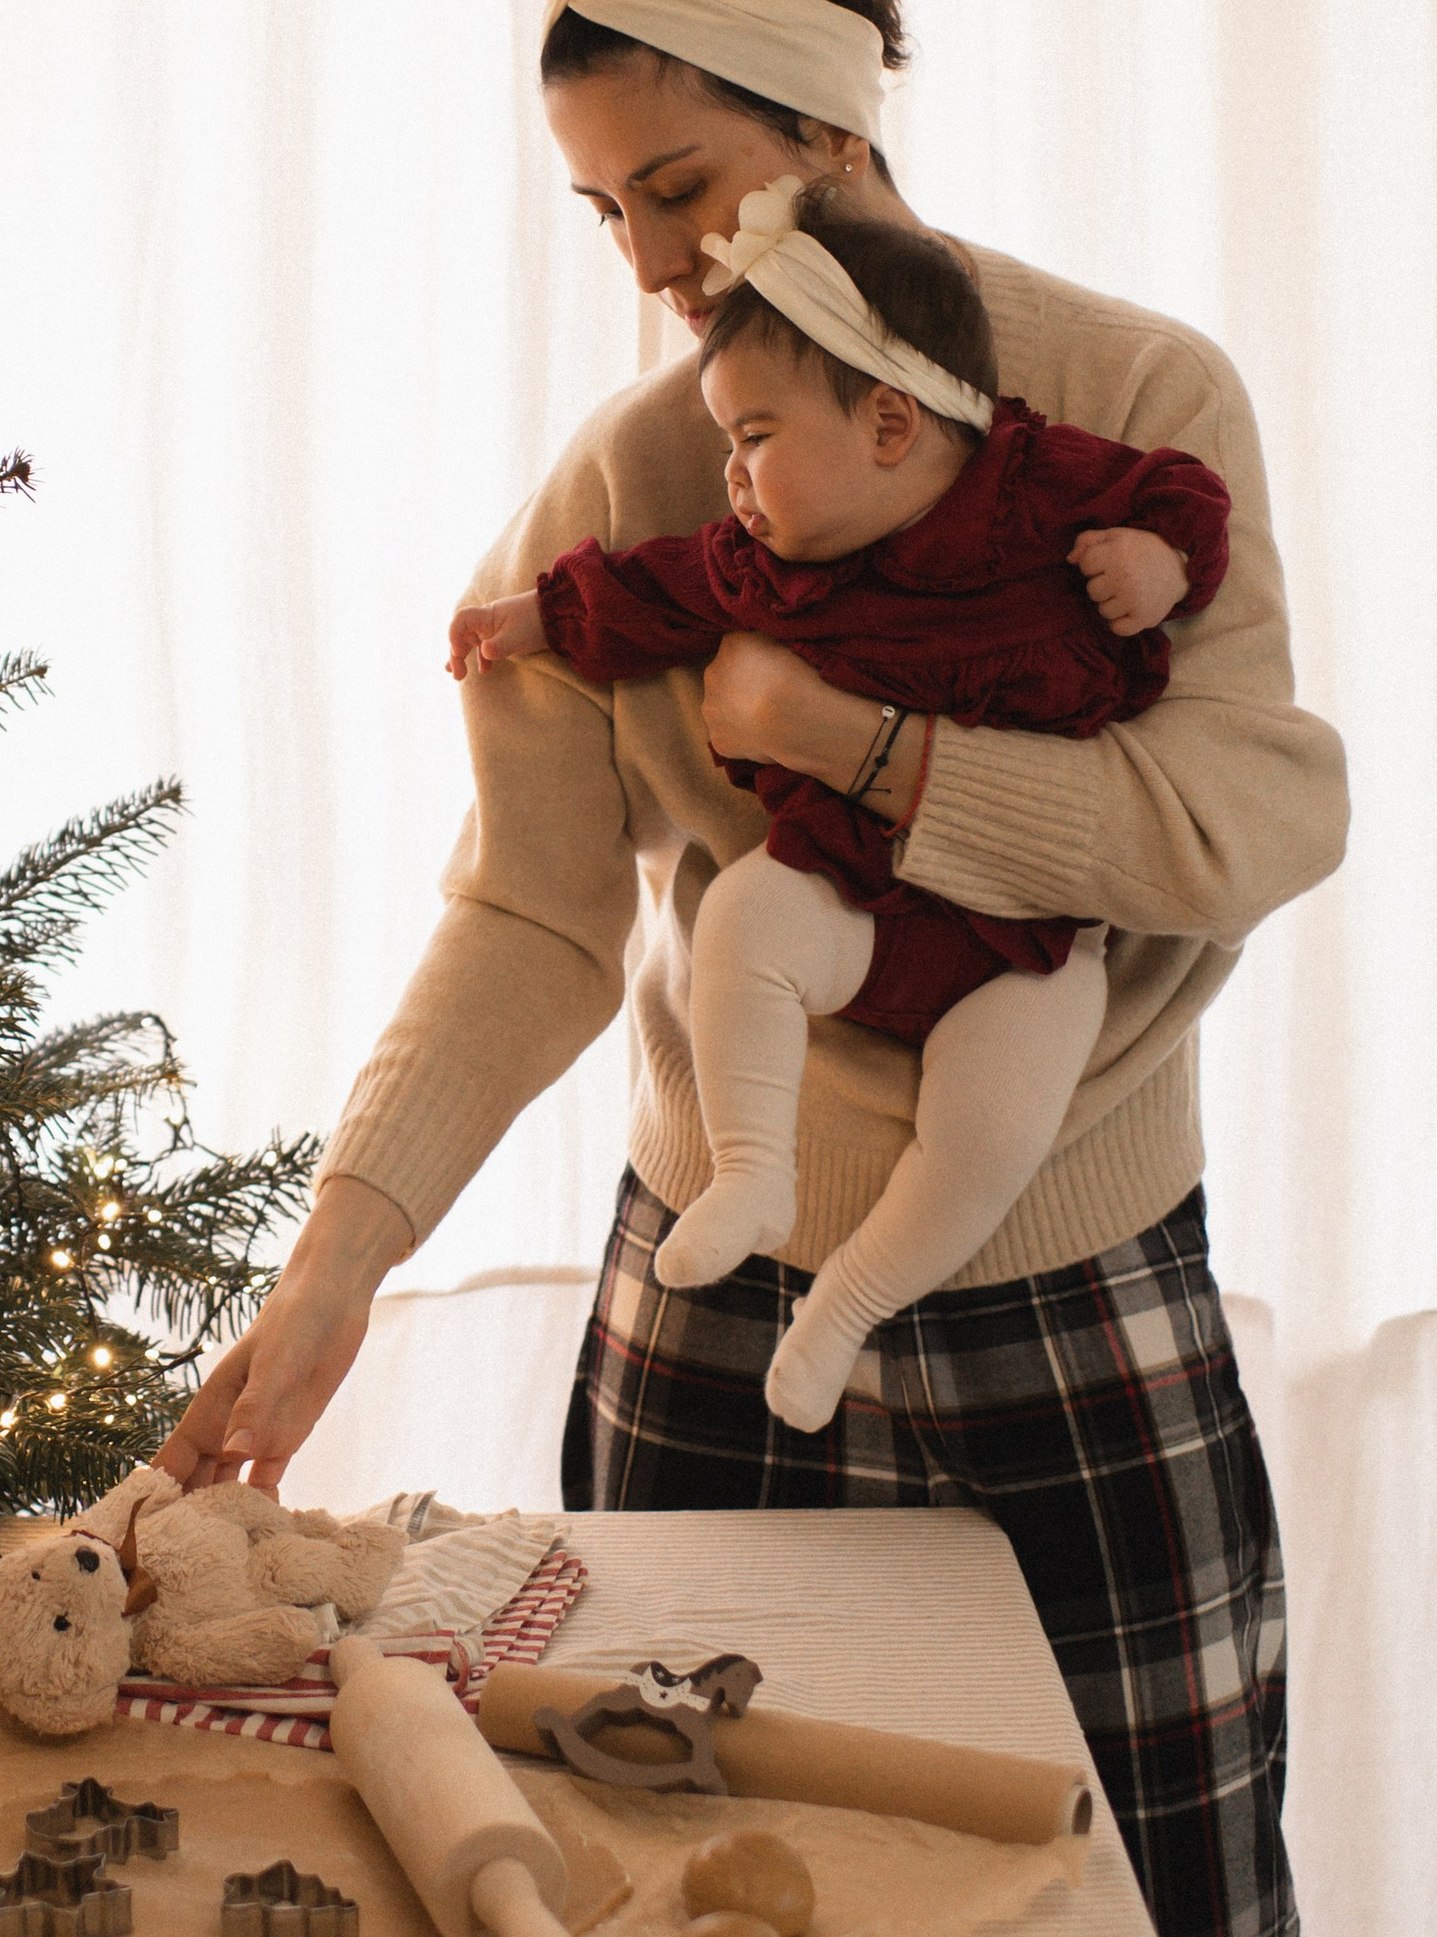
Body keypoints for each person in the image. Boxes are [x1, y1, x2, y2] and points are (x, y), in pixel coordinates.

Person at [159, 0, 1382, 1937]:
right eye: (603, 210)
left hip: (1077, 1315)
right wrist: (333, 1269)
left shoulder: (1135, 408)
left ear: (833, 130)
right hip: (705, 1332)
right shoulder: (632, 483)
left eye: (680, 188)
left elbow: (1235, 828)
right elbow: (528, 917)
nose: (646, 259)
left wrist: (862, 748)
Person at [446, 178, 1230, 1431]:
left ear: (888, 422)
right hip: (847, 893)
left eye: (753, 437)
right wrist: (528, 616)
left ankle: (847, 1305)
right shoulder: (765, 563)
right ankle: (753, 1170)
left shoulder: (1043, 485)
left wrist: (1161, 558)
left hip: (1021, 940)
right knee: (743, 921)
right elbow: (647, 590)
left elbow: (1181, 488)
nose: (731, 478)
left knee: (994, 1130)